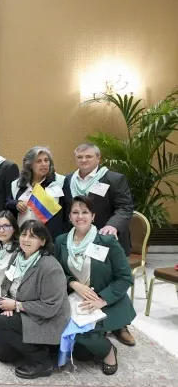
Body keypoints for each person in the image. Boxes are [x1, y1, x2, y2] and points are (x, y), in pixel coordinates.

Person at [62, 143, 135, 346]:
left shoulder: (113, 178)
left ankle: (120, 324)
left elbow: (125, 207)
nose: (84, 160)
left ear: (98, 158)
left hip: (106, 240)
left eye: (88, 156)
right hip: (78, 238)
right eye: (80, 157)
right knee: (84, 278)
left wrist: (112, 226)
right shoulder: (69, 180)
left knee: (113, 279)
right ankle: (88, 315)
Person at [55, 196, 135, 375]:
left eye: (85, 212)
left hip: (102, 301)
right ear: (69, 217)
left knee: (85, 335)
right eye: (75, 212)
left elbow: (125, 277)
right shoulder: (61, 241)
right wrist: (73, 283)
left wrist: (102, 300)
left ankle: (108, 352)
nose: (80, 216)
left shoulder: (107, 242)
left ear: (93, 216)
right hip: (73, 297)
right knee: (64, 334)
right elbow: (58, 271)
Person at [0, 220, 70, 380]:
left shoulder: (50, 267)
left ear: (42, 241)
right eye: (24, 234)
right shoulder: (17, 256)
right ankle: (34, 345)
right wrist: (8, 305)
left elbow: (49, 308)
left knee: (0, 324)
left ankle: (42, 361)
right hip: (21, 310)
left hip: (47, 319)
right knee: (1, 353)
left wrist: (17, 305)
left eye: (33, 236)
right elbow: (6, 283)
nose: (26, 239)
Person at [6, 146, 67, 240]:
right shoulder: (17, 184)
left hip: (48, 237)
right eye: (38, 161)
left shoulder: (59, 182)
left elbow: (67, 211)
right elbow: (7, 203)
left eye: (46, 160)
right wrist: (16, 204)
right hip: (23, 237)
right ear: (29, 165)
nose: (44, 164)